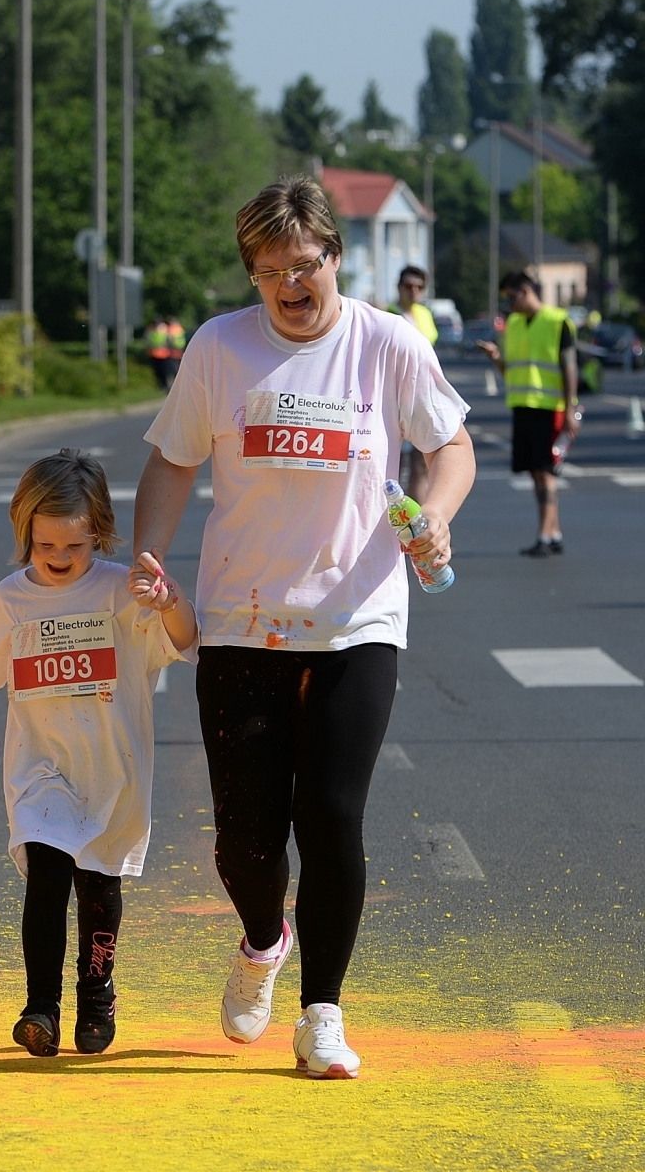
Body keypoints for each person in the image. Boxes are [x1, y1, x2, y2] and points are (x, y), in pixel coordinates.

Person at [132, 175, 475, 1079]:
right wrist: (150, 557)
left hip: (357, 619)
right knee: (245, 836)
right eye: (270, 269)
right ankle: (260, 938)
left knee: (330, 815)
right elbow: (172, 460)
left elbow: (450, 445)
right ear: (252, 273)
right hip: (241, 619)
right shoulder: (218, 349)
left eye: (307, 263)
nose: (292, 283)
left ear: (335, 259)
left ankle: (323, 1009)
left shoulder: (386, 343)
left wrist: (436, 509)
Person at [0, 449, 197, 1058]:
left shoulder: (121, 593)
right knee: (46, 877)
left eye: (73, 548)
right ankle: (39, 1005)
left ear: (98, 533)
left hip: (112, 771)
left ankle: (96, 995)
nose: (59, 560)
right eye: (45, 547)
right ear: (26, 534)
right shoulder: (12, 599)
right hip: (39, 768)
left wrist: (168, 599)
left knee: (99, 884)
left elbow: (184, 640)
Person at [477, 271, 579, 557]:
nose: (509, 304)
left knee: (546, 471)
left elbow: (570, 368)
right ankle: (554, 531)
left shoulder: (557, 321)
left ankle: (545, 535)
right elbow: (511, 370)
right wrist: (496, 358)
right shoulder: (515, 324)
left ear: (525, 291)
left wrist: (570, 410)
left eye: (511, 296)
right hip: (522, 404)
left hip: (550, 408)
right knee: (535, 472)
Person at [386, 266, 439, 502]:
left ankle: (415, 525)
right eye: (408, 286)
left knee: (420, 464)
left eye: (419, 287)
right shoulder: (387, 315)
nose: (413, 292)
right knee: (393, 468)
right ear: (399, 287)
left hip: (422, 395)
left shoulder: (425, 315)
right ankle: (389, 524)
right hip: (394, 397)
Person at [145, 317, 171, 390]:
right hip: (154, 354)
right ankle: (160, 385)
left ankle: (165, 384)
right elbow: (148, 341)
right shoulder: (150, 330)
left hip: (163, 354)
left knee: (164, 371)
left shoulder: (163, 329)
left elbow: (168, 341)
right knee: (157, 371)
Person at [166, 316, 186, 388]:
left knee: (172, 369)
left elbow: (169, 340)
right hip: (180, 350)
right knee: (179, 368)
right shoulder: (180, 328)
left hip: (172, 351)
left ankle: (175, 384)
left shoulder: (170, 329)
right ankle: (180, 383)